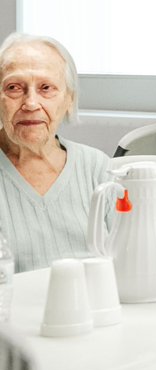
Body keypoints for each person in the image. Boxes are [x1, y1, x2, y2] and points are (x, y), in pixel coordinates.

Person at [0, 33, 109, 272]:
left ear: (69, 99)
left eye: (46, 88)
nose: (30, 103)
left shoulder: (98, 168)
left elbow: (128, 259)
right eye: (14, 88)